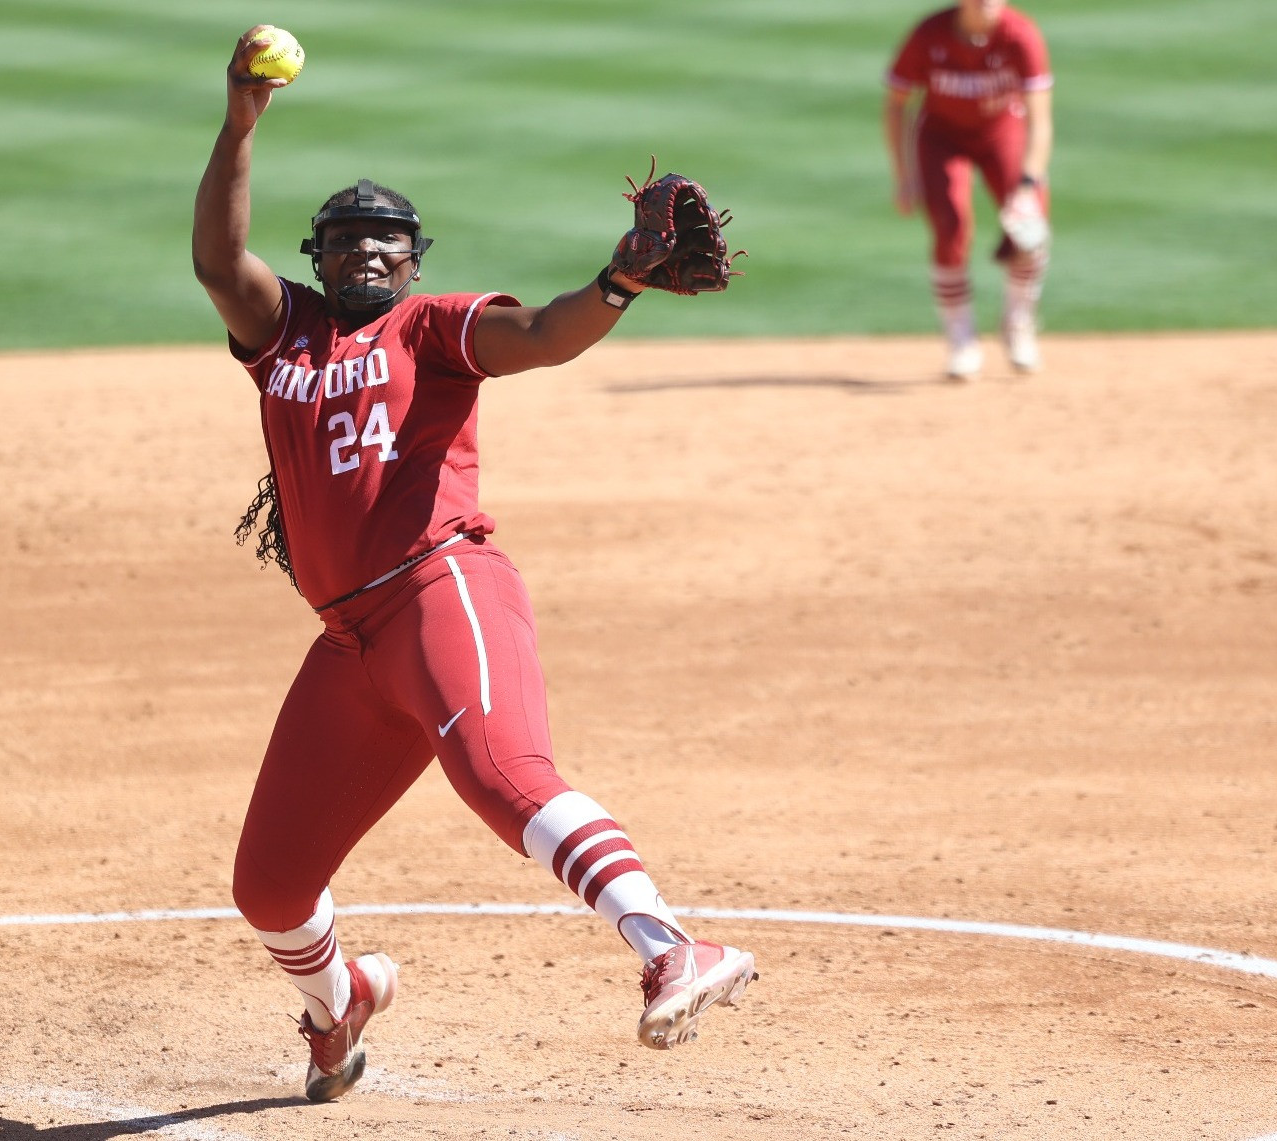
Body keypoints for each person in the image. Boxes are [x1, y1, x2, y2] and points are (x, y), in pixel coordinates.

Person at [192, 26, 757, 1103]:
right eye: (347, 236)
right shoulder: (284, 335)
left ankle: (669, 947)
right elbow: (217, 262)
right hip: (351, 644)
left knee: (502, 777)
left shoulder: (431, 330)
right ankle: (337, 1002)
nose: (368, 250)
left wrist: (617, 281)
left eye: (389, 239)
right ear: (315, 257)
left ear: (416, 261)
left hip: (440, 588)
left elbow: (542, 333)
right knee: (267, 886)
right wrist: (239, 121)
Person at [884, 0, 1055, 379]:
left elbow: (1040, 120)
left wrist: (1029, 184)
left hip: (1002, 131)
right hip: (941, 137)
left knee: (1031, 226)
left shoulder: (1020, 35)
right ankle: (961, 339)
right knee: (951, 226)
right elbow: (897, 102)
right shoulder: (930, 34)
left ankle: (1018, 323)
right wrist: (904, 174)